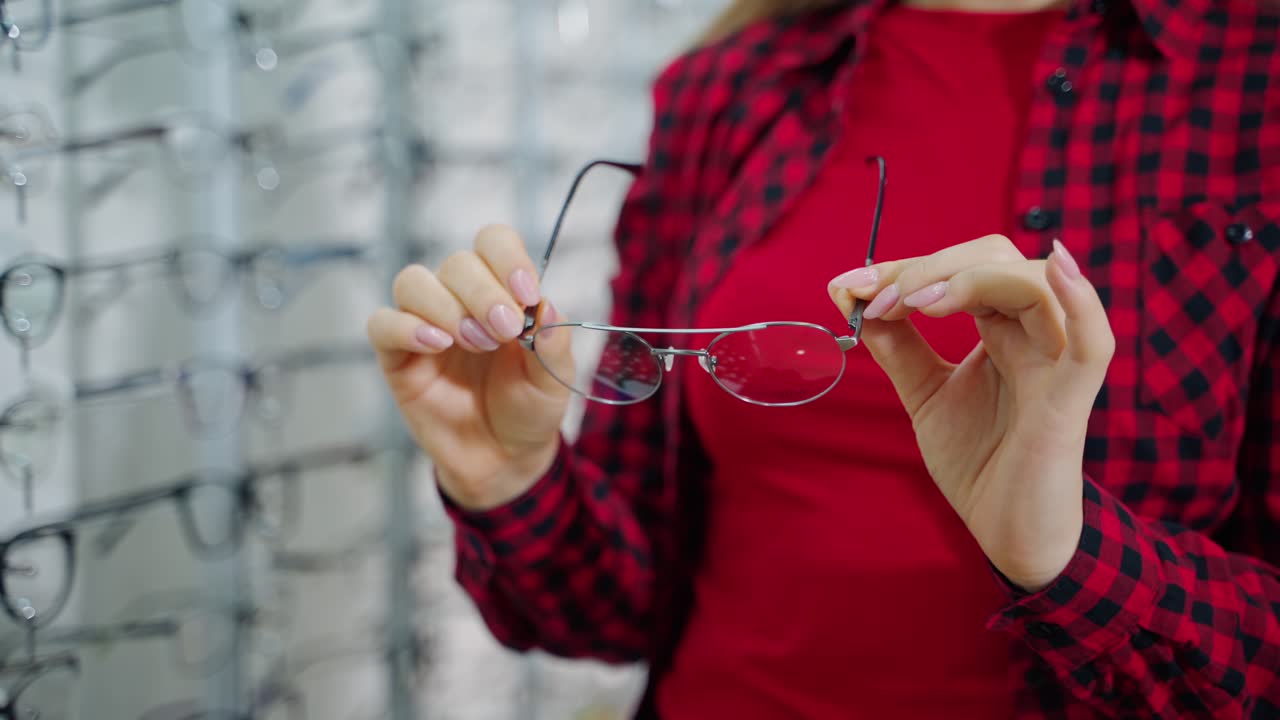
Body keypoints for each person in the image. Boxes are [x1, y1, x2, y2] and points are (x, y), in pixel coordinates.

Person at [366, 0, 1280, 716]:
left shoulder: (1253, 80)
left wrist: (1072, 557)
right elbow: (618, 607)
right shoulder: (729, 88)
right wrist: (509, 477)